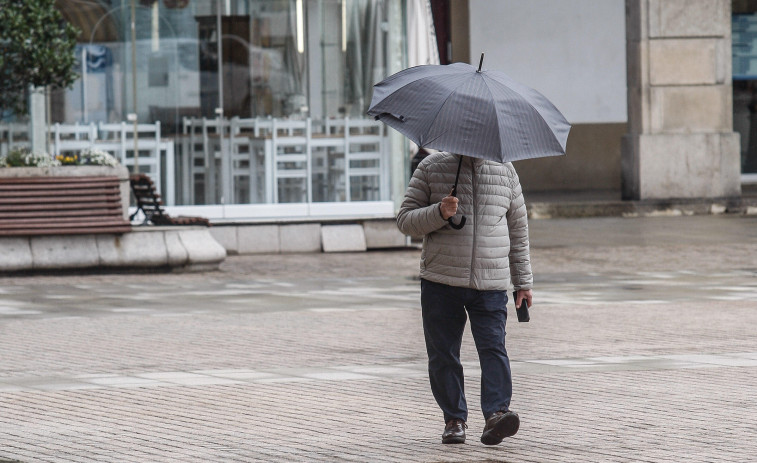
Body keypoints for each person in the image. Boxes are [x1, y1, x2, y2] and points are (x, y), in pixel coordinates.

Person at [396, 152, 533, 446]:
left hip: (491, 281)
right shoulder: (431, 168)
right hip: (441, 280)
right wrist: (439, 213)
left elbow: (518, 230)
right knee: (443, 353)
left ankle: (497, 414)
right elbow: (405, 221)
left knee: (494, 347)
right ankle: (454, 419)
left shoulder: (506, 172)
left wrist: (523, 281)